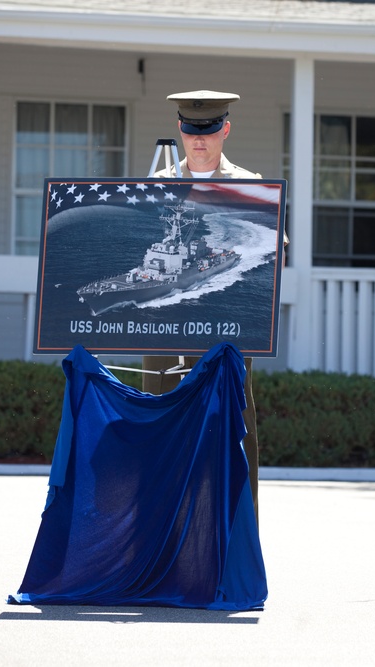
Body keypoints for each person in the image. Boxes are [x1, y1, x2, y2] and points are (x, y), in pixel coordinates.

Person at [142, 89, 262, 517]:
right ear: (180, 130)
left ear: (224, 129)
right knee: (159, 432)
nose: (199, 140)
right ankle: (157, 551)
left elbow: (272, 253)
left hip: (226, 334)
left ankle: (234, 555)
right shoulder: (156, 186)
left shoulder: (251, 186)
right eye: (192, 130)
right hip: (163, 332)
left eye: (208, 130)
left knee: (233, 436)